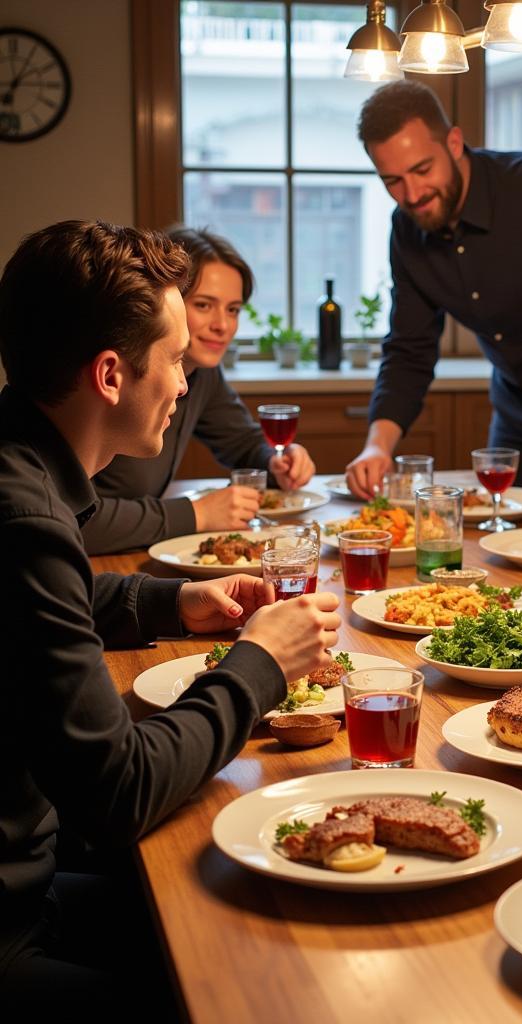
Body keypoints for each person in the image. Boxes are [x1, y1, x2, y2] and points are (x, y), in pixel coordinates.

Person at [0, 221, 342, 1012]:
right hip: (12, 927)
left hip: (34, 879)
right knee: (265, 985)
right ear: (112, 374)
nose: (186, 384)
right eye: (176, 360)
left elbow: (57, 604)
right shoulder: (23, 519)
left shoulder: (20, 471)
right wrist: (258, 667)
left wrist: (172, 599)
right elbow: (118, 792)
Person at [344, 81, 522, 498]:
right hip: (517, 417)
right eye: (392, 180)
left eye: (421, 170)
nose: (412, 194)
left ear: (454, 142)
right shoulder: (406, 229)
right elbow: (409, 349)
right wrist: (377, 448)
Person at [82, 226, 316, 555]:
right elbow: (75, 519)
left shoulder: (202, 373)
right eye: (205, 305)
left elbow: (242, 443)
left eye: (233, 309)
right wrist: (197, 513)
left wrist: (276, 460)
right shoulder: (117, 378)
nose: (222, 325)